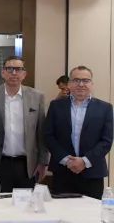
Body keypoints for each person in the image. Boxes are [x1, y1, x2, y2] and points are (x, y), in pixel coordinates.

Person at [45, 65, 113, 199]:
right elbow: (48, 136)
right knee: (62, 210)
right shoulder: (56, 106)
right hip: (62, 172)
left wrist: (84, 161)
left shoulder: (105, 108)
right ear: (69, 84)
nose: (81, 84)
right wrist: (67, 160)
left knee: (90, 212)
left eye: (85, 80)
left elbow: (106, 141)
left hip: (92, 173)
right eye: (76, 80)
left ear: (92, 84)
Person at [0, 56, 48, 192]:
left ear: (24, 74)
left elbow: (41, 132)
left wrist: (43, 162)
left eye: (18, 69)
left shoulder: (37, 97)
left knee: (26, 203)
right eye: (9, 69)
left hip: (27, 164)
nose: (14, 73)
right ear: (3, 73)